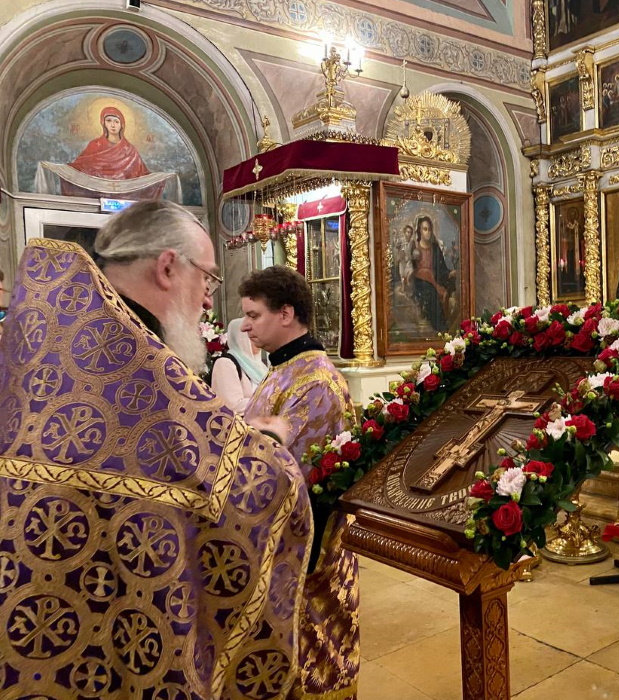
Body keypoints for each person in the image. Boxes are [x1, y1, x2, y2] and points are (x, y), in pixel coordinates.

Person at [0, 200, 313, 698]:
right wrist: (270, 446)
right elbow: (244, 486)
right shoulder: (133, 355)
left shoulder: (54, 339)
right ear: (168, 267)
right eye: (207, 278)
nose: (208, 301)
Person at [240, 266, 359, 700]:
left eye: (253, 315)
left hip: (308, 553)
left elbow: (289, 474)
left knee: (312, 663)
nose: (246, 326)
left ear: (286, 314)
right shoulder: (285, 369)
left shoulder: (315, 382)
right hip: (281, 546)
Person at [60, 106, 164, 198]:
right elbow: (79, 168)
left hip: (126, 199)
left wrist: (158, 179)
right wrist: (63, 170)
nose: (113, 125)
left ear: (122, 125)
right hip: (95, 195)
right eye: (109, 121)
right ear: (103, 123)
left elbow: (142, 175)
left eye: (116, 122)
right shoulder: (94, 145)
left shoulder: (130, 150)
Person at [210, 317, 268, 415]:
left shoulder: (260, 366)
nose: (259, 340)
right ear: (240, 338)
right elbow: (232, 405)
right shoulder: (225, 363)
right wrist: (270, 403)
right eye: (253, 337)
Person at [409, 215, 455, 331]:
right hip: (420, 281)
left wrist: (449, 274)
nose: (428, 232)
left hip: (433, 280)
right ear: (420, 230)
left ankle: (443, 328)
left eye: (429, 229)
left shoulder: (435, 248)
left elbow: (441, 268)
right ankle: (440, 327)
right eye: (425, 229)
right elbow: (409, 266)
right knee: (431, 293)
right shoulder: (415, 246)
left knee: (444, 290)